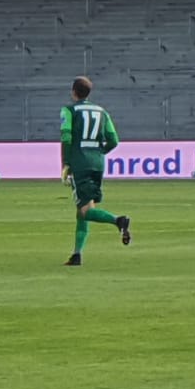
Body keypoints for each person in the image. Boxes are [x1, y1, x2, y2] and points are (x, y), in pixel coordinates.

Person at [59, 76, 132, 266]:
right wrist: (99, 152)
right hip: (98, 163)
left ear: (74, 91)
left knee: (86, 210)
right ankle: (77, 254)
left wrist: (66, 163)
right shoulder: (102, 112)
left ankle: (119, 220)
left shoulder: (69, 111)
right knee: (82, 208)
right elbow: (114, 140)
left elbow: (66, 137)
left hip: (79, 163)